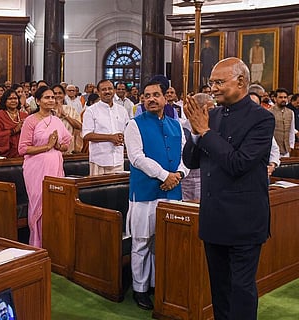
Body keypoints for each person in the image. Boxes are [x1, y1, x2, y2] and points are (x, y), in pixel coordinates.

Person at [183, 57, 275, 320]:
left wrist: (205, 132)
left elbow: (238, 164)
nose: (213, 88)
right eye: (211, 82)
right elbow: (191, 161)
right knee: (219, 291)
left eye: (220, 82)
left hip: (244, 222)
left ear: (241, 82)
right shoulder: (211, 116)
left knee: (241, 292)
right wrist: (195, 132)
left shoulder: (261, 119)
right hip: (214, 218)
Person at [124, 78, 189, 310]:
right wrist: (165, 176)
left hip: (173, 192)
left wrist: (178, 175)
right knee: (142, 242)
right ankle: (140, 289)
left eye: (155, 95)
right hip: (145, 192)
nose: (151, 99)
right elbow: (137, 157)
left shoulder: (177, 124)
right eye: (147, 95)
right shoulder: (134, 124)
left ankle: (156, 284)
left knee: (164, 242)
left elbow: (185, 155)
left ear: (165, 98)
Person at [18, 86, 72, 247]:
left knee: (54, 204)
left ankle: (53, 243)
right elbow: (23, 148)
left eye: (53, 98)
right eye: (47, 97)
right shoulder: (31, 120)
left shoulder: (56, 120)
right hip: (36, 168)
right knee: (39, 206)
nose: (51, 100)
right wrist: (47, 146)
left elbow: (65, 145)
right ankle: (37, 244)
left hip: (55, 165)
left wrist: (57, 145)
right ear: (38, 101)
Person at [82, 79, 130, 175]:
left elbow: (127, 131)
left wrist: (122, 138)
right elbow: (87, 135)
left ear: (114, 91)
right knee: (98, 190)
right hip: (99, 160)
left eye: (110, 89)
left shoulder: (122, 110)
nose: (107, 92)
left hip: (118, 159)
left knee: (117, 189)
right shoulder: (91, 111)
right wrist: (111, 138)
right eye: (104, 89)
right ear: (98, 92)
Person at [0, 89, 28, 158]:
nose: (13, 101)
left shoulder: (24, 115)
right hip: (6, 156)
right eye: (10, 99)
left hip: (23, 154)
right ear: (5, 101)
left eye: (15, 98)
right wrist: (14, 131)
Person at [51, 84, 83, 154]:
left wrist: (65, 115)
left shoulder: (71, 109)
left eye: (60, 93)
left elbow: (79, 126)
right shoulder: (47, 111)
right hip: (51, 148)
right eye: (54, 93)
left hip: (69, 148)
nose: (57, 95)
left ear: (64, 95)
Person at [269, 88, 295, 157]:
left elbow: (292, 131)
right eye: (280, 97)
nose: (283, 99)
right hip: (272, 151)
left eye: (285, 97)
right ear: (275, 99)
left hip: (286, 150)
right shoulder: (269, 112)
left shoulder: (290, 112)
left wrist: (291, 145)